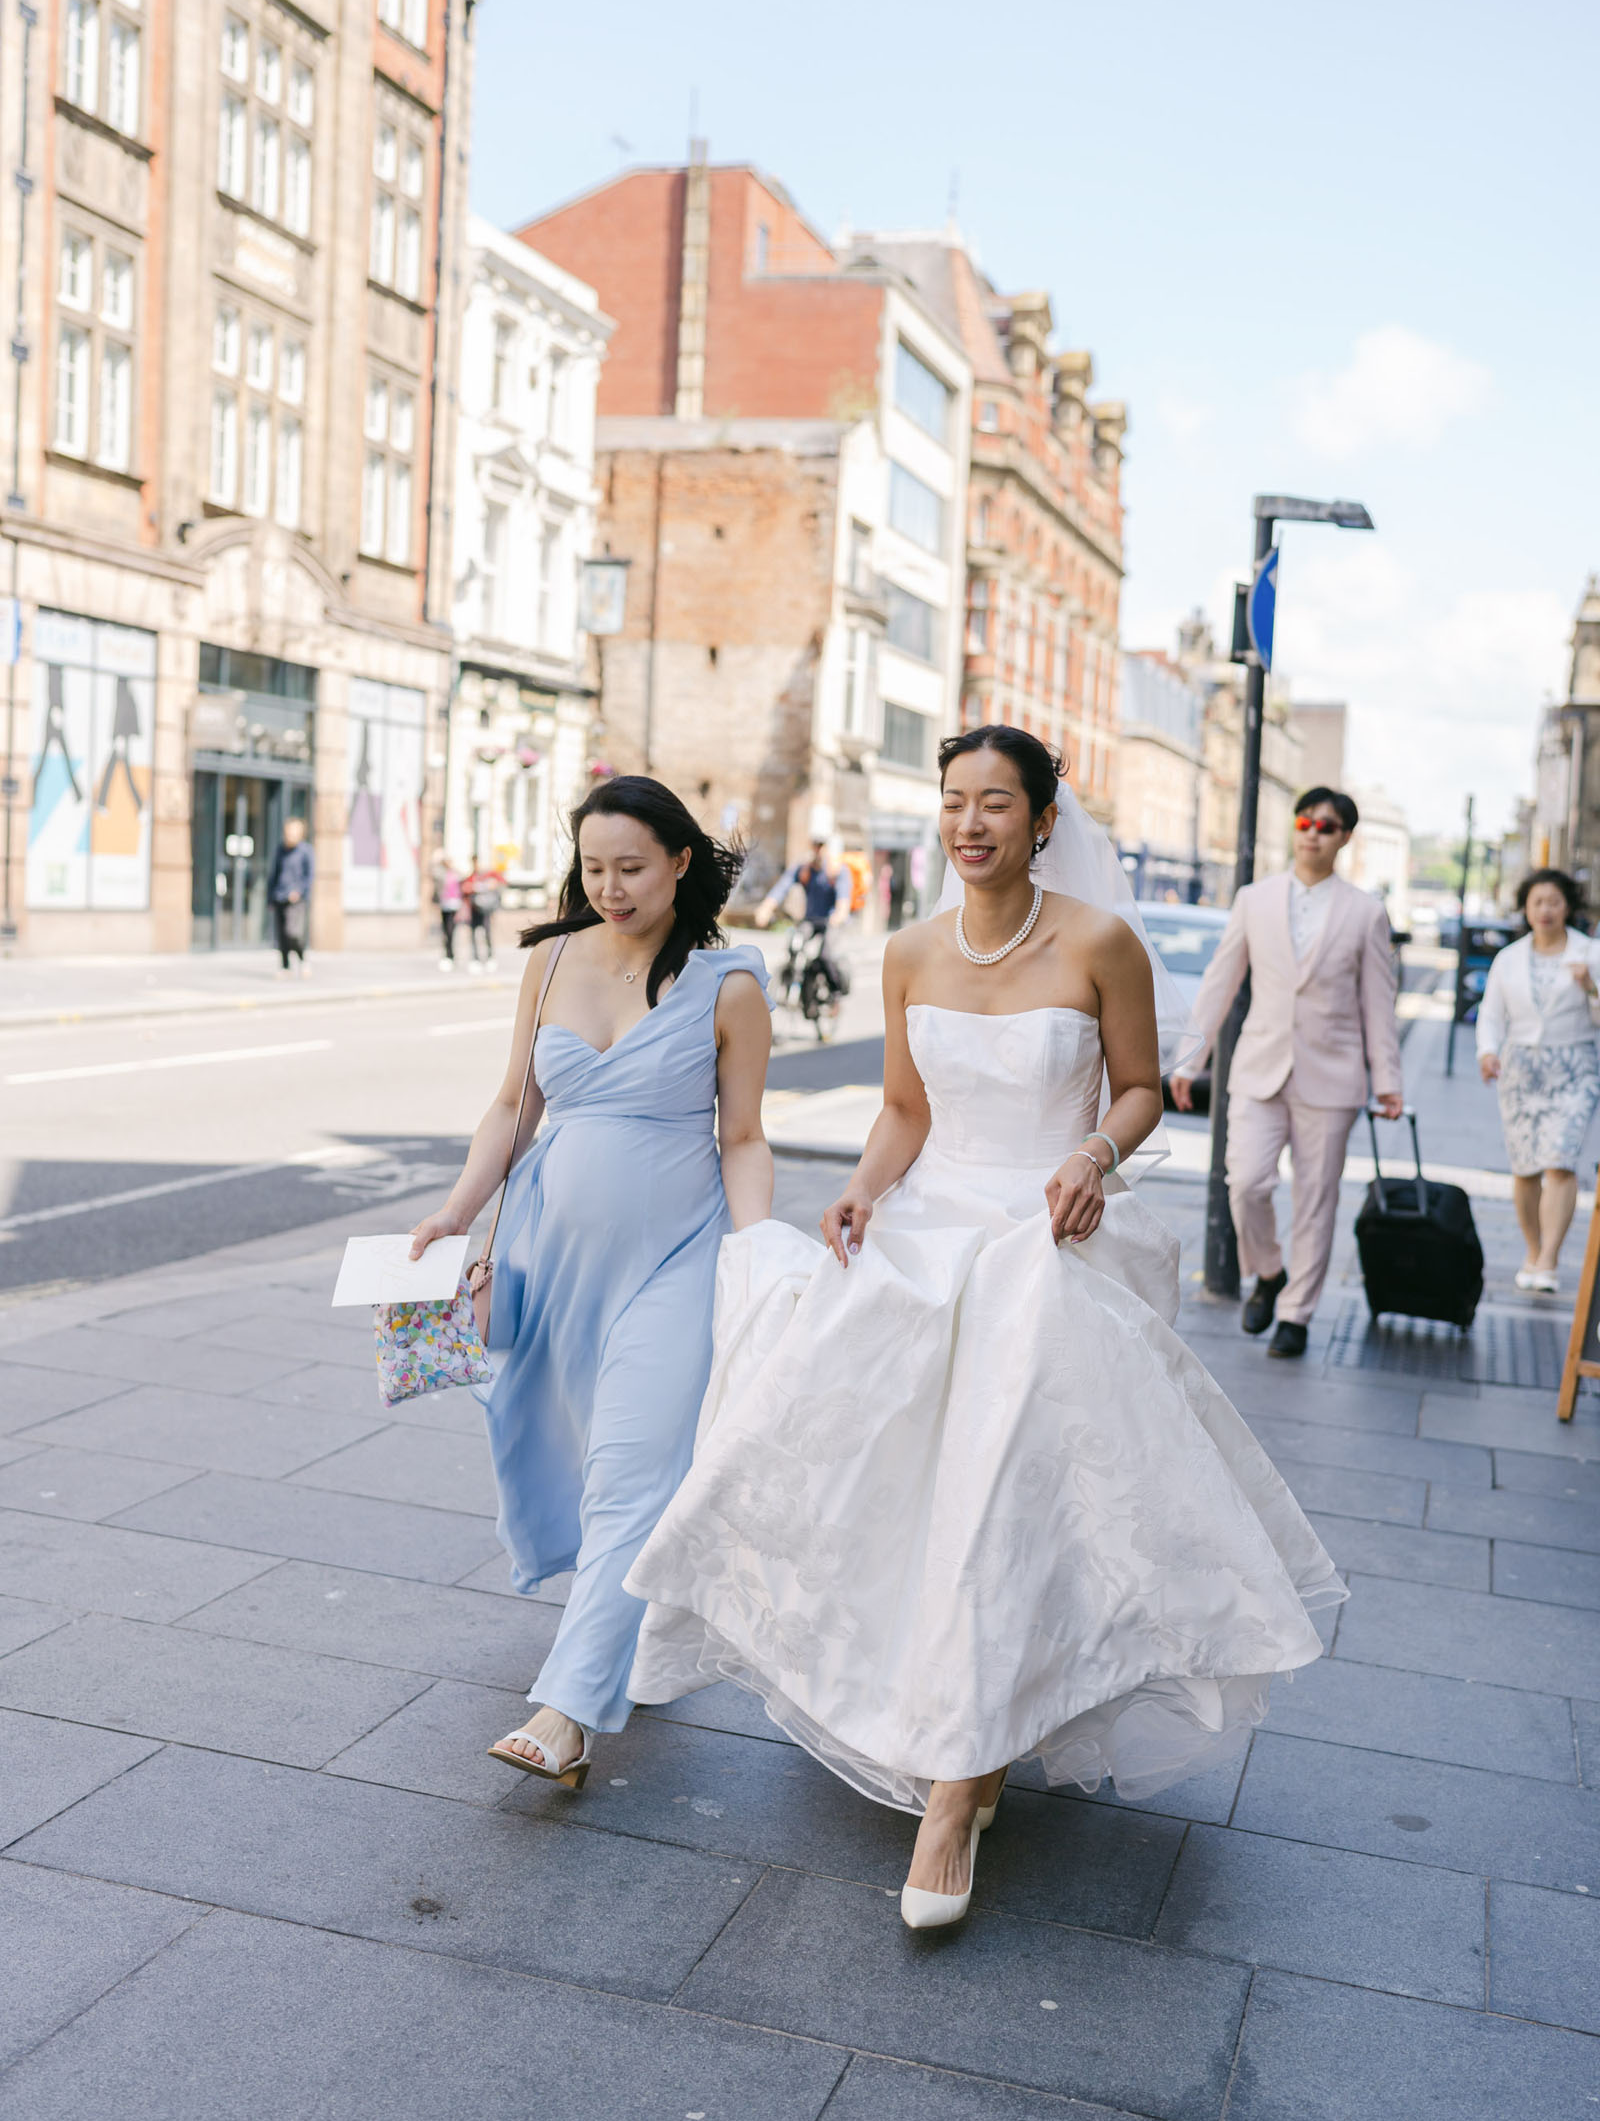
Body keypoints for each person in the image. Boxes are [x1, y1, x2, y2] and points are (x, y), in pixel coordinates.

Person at [626, 726, 1340, 1928]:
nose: (970, 823)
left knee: (1002, 1496)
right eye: (953, 801)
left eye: (995, 803)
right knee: (874, 1487)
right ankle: (945, 1722)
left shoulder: (1100, 941)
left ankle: (957, 1793)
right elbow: (907, 1109)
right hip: (921, 1235)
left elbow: (1141, 1088)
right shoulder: (908, 950)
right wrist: (862, 1185)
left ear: (1043, 819)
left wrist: (1093, 1155)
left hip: (1043, 1239)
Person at [408, 776, 772, 1788]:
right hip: (547, 1252)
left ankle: (567, 1712)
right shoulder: (552, 959)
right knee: (569, 1451)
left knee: (630, 1472)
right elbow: (511, 1109)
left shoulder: (728, 986)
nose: (610, 887)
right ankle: (633, 1625)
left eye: (632, 868)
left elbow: (741, 1139)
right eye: (594, 868)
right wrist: (456, 1209)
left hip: (676, 1255)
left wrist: (755, 1260)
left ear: (681, 864)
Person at [1171, 787, 1403, 1360]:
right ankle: (1269, 1273)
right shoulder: (1254, 898)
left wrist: (1388, 1079)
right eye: (1305, 821)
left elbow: (1379, 1002)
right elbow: (1220, 981)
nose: (1313, 832)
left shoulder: (1367, 913)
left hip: (1333, 1074)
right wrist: (1190, 1058)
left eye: (1327, 826)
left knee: (1317, 1199)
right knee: (1245, 1182)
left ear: (1344, 838)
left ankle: (1297, 1313)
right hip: (1259, 1066)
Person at [1477, 867, 1600, 1293]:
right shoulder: (1508, 958)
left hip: (1575, 1067)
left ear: (1568, 907)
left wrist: (1591, 988)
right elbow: (1491, 1015)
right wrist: (1487, 1052)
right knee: (1526, 1169)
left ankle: (1548, 1259)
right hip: (1521, 1069)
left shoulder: (1590, 953)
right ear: (1526, 909)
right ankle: (1532, 1250)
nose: (1545, 910)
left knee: (1560, 1161)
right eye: (1537, 903)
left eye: (1554, 902)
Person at [758, 839, 848, 996]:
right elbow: (782, 887)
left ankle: (835, 992)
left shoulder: (836, 870)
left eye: (822, 846)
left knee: (825, 956)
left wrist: (839, 914)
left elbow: (843, 899)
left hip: (830, 922)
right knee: (795, 945)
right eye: (815, 845)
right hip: (810, 920)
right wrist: (766, 907)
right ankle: (794, 983)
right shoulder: (804, 869)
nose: (818, 850)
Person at [267, 817, 313, 975]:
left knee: (292, 932)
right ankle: (285, 966)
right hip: (279, 895)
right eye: (287, 833)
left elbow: (309, 876)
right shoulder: (280, 850)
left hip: (296, 899)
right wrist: (270, 897)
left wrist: (299, 891)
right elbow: (274, 874)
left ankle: (302, 958)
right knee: (281, 935)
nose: (289, 836)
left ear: (300, 834)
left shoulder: (305, 851)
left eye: (293, 833)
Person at [462, 857, 504, 972]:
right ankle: (475, 959)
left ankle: (490, 957)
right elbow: (464, 888)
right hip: (474, 910)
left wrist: (483, 886)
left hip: (486, 910)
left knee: (487, 934)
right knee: (473, 935)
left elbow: (500, 883)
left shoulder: (489, 875)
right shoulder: (470, 876)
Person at [432, 854, 463, 971]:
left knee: (451, 930)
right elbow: (433, 874)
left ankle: (451, 954)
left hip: (454, 904)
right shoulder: (441, 873)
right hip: (445, 904)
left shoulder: (455, 873)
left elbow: (461, 883)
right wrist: (436, 861)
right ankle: (448, 954)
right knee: (446, 930)